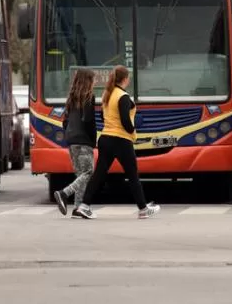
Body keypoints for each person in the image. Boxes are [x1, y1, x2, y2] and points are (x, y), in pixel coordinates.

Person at [76, 65, 160, 220]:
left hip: (106, 138)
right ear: (126, 79)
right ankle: (143, 209)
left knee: (99, 175)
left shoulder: (107, 94)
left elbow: (102, 117)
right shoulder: (123, 96)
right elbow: (125, 121)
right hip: (121, 140)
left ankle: (84, 206)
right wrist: (133, 130)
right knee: (133, 175)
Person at [54, 68, 98, 218]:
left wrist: (69, 134)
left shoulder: (71, 98)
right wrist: (93, 140)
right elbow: (89, 121)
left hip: (71, 141)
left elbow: (65, 121)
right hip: (83, 140)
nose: (95, 83)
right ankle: (64, 193)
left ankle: (78, 209)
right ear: (88, 81)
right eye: (93, 80)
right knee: (88, 172)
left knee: (80, 174)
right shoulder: (89, 97)